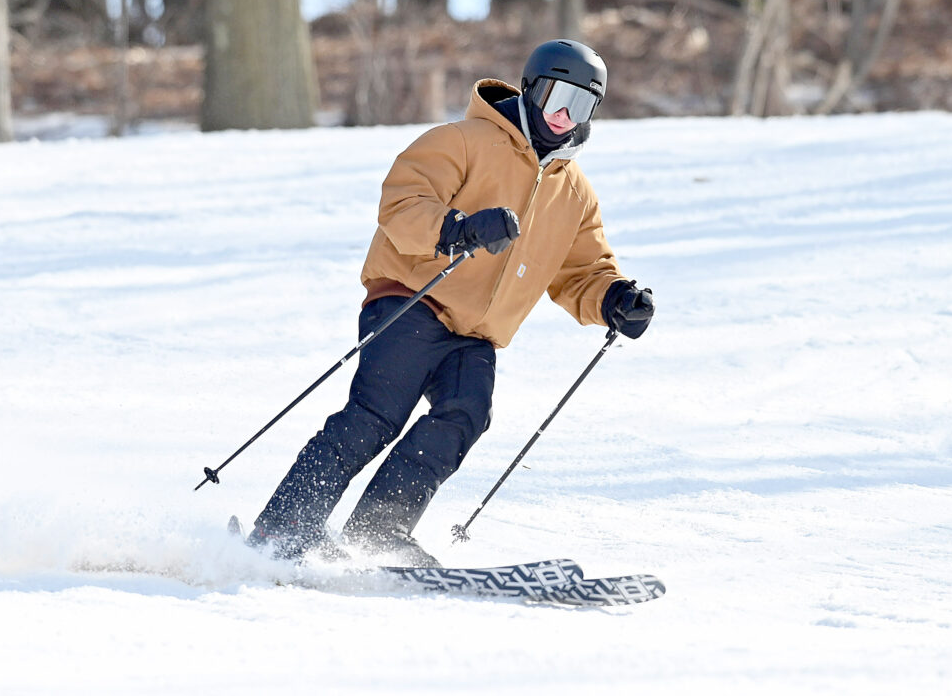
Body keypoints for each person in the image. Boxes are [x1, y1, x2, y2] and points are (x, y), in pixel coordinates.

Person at [247, 39, 655, 566]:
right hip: (412, 302)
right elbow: (402, 202)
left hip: (475, 334)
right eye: (557, 97)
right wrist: (457, 230)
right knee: (375, 417)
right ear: (531, 89)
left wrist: (615, 299)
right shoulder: (462, 141)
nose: (564, 116)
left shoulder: (573, 193)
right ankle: (283, 527)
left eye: (581, 105)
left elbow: (582, 271)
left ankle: (377, 532)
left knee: (465, 415)